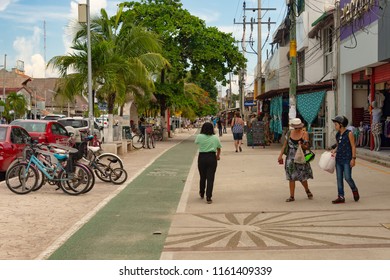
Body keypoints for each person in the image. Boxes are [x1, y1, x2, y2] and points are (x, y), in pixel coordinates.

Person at [277, 118, 313, 202]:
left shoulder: (304, 133)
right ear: (293, 127)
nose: (298, 129)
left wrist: (302, 144)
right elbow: (284, 145)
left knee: (302, 177)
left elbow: (307, 147)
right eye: (296, 128)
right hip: (290, 158)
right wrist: (280, 155)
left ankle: (307, 190)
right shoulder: (289, 133)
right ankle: (292, 196)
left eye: (299, 127)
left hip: (300, 158)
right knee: (291, 177)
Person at [331, 115, 359, 204]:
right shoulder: (338, 134)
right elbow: (338, 145)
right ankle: (341, 196)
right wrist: (334, 151)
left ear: (341, 125)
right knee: (339, 178)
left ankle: (354, 189)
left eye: (336, 124)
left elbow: (353, 146)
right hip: (338, 159)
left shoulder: (349, 133)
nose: (335, 126)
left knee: (347, 177)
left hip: (347, 159)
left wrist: (353, 158)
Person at [195, 122, 222, 204]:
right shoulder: (215, 138)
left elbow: (197, 143)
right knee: (210, 178)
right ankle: (209, 197)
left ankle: (202, 192)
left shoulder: (199, 136)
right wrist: (217, 156)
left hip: (202, 157)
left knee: (202, 176)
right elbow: (219, 148)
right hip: (212, 157)